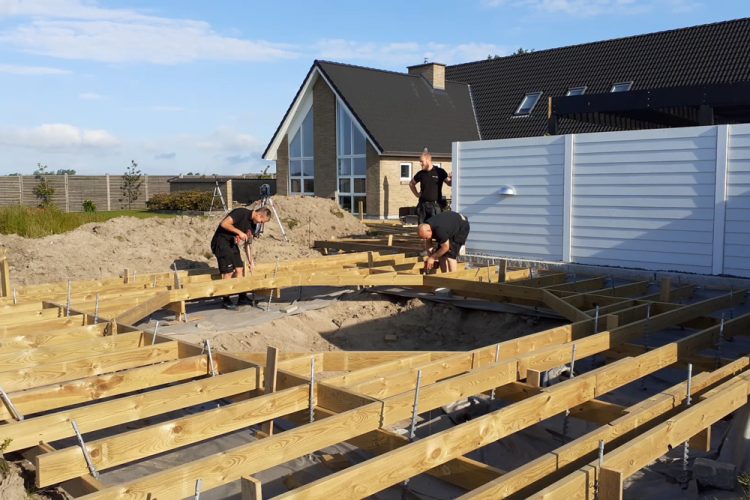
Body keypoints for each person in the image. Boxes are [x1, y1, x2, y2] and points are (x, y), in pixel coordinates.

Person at [210, 206, 272, 310]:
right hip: (221, 242)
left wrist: (251, 261)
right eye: (261, 221)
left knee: (240, 269)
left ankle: (242, 297)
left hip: (231, 244)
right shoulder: (241, 212)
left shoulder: (252, 226)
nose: (261, 223)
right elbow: (224, 223)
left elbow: (247, 244)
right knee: (229, 272)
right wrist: (239, 232)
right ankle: (226, 300)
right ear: (259, 214)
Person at [409, 150, 452, 225]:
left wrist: (452, 178)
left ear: (428, 160)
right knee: (422, 229)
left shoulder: (439, 172)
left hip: (435, 206)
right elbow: (411, 184)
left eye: (422, 161)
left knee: (436, 228)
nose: (420, 164)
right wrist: (416, 194)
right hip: (422, 206)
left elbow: (449, 183)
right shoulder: (421, 173)